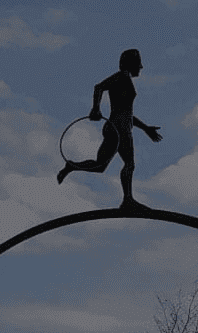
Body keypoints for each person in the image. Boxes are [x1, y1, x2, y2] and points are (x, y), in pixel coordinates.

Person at [57, 48, 163, 211]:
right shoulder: (122, 76)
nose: (141, 67)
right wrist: (95, 109)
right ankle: (128, 199)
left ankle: (72, 166)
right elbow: (99, 87)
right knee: (130, 164)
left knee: (100, 166)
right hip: (120, 128)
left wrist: (145, 128)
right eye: (138, 63)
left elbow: (127, 114)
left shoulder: (126, 80)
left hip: (116, 125)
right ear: (131, 64)